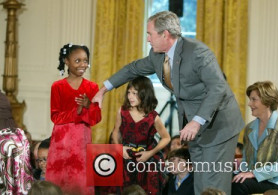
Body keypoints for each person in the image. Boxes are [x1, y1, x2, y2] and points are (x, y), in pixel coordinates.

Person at [92, 11, 244, 194]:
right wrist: (103, 90)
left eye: (150, 34)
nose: (148, 39)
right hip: (194, 128)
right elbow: (132, 69)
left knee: (214, 183)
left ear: (165, 34)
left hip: (219, 124)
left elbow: (218, 87)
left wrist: (196, 121)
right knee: (201, 183)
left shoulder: (198, 53)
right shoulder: (157, 56)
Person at [46, 43, 102, 195]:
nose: (83, 64)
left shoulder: (92, 87)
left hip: (81, 143)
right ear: (66, 61)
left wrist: (89, 105)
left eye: (85, 60)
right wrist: (76, 112)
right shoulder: (57, 86)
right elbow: (55, 116)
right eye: (77, 61)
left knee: (80, 181)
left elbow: (96, 118)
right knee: (60, 183)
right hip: (61, 144)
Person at [232, 81, 278, 195]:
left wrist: (253, 173)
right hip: (258, 178)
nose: (249, 104)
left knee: (239, 185)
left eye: (254, 99)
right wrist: (237, 168)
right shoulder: (249, 128)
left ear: (267, 102)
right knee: (226, 178)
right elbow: (248, 161)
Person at [110, 76, 171, 194]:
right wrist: (119, 148)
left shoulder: (153, 117)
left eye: (134, 93)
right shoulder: (122, 111)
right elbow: (115, 131)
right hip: (126, 156)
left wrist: (149, 153)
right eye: (129, 92)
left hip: (146, 159)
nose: (130, 96)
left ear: (145, 94)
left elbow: (166, 138)